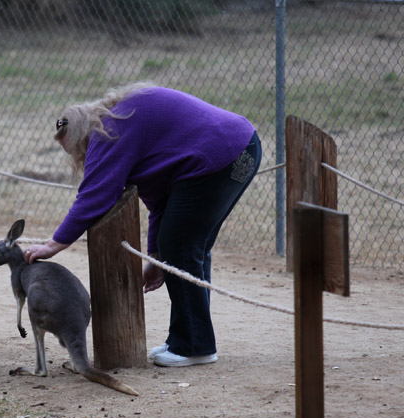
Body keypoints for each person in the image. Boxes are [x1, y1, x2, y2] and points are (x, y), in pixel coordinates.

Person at [24, 82, 262, 367]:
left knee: (181, 244)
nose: (77, 158)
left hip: (220, 154)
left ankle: (194, 346)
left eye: (73, 150)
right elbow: (161, 203)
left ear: (81, 136)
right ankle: (188, 340)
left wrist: (54, 245)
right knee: (186, 245)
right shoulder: (122, 121)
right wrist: (157, 258)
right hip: (242, 147)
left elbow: (95, 194)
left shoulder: (106, 132)